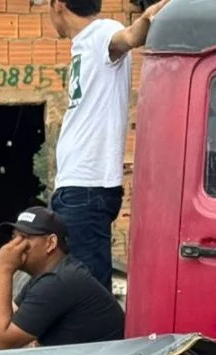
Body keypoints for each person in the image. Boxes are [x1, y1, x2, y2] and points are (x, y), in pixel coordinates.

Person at [44, 0, 167, 286]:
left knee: (86, 292)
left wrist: (152, 16)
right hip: (75, 189)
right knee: (67, 288)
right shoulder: (83, 43)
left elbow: (129, 37)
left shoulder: (102, 32)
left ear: (57, 4)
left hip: (86, 189)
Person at [0, 206, 125, 349]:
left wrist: (4, 268)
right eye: (14, 238)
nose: (12, 246)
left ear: (50, 243)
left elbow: (1, 341)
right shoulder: (44, 277)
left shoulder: (59, 280)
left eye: (24, 238)